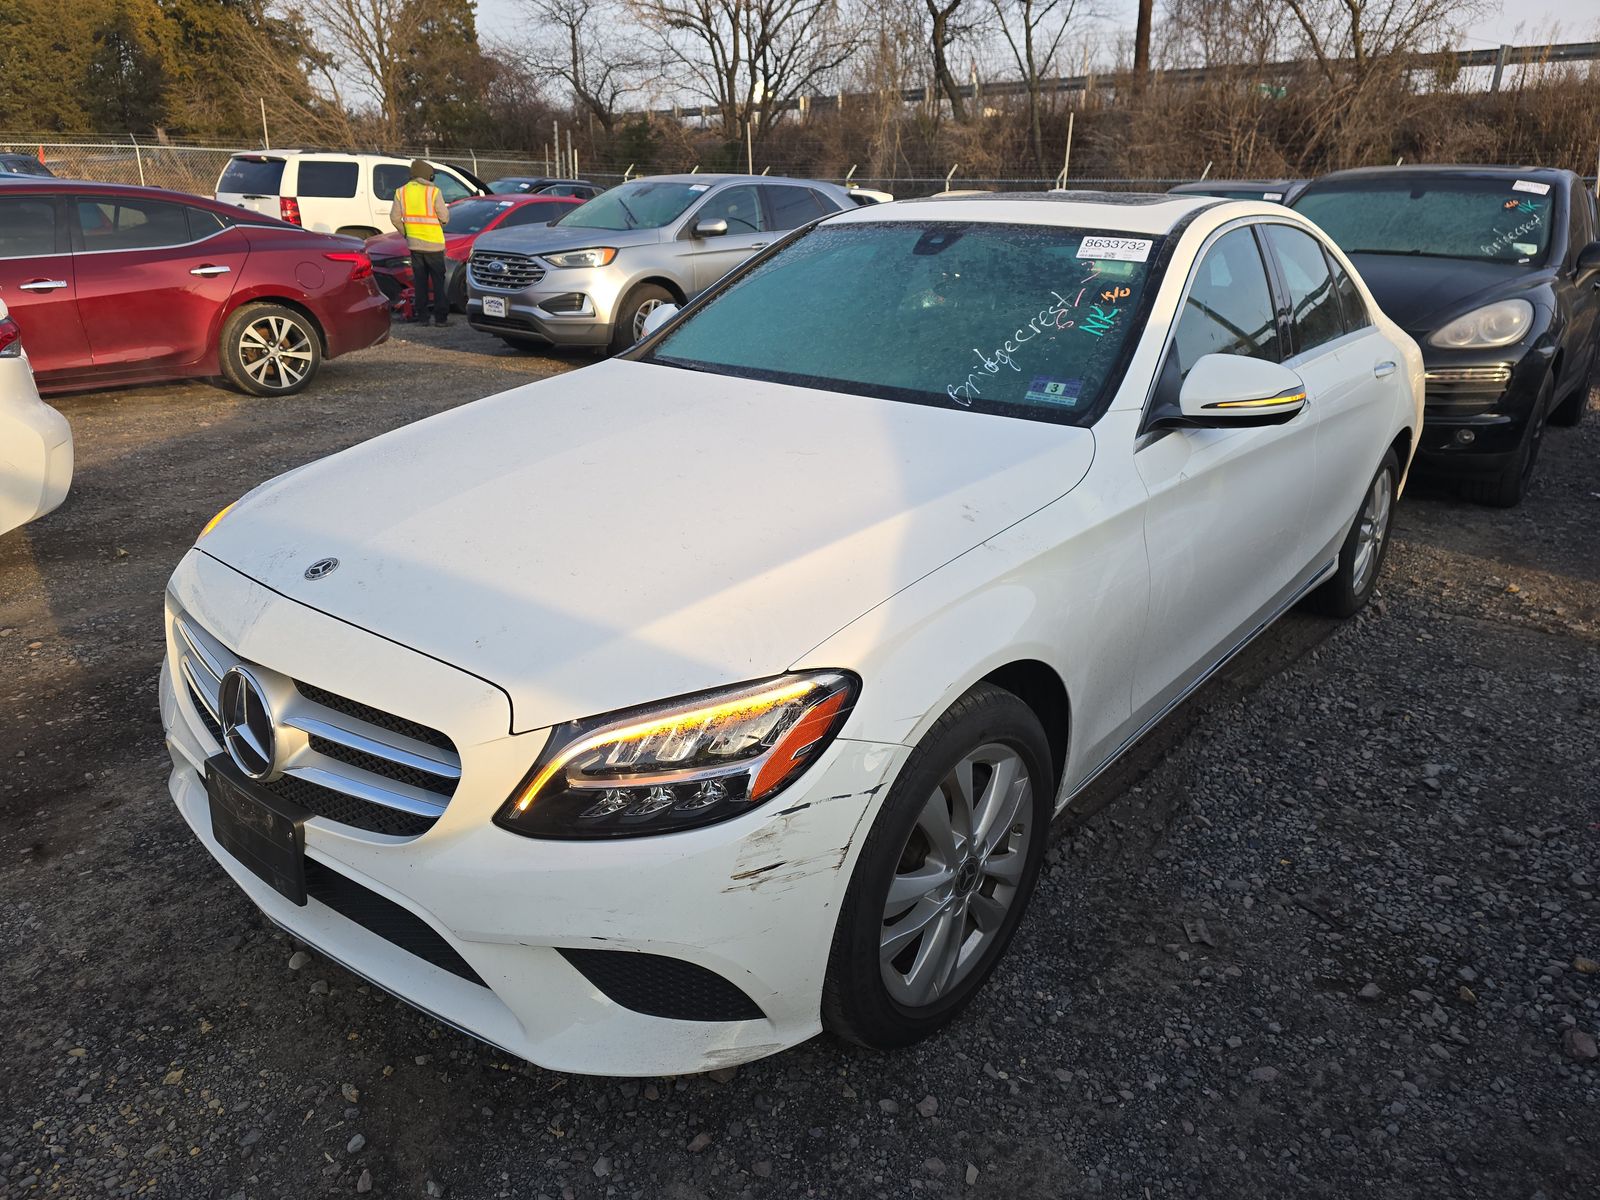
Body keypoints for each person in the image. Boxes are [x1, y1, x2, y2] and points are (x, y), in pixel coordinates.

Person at [390, 160, 451, 326]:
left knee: (420, 282)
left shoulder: (401, 192)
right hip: (434, 245)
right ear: (428, 175)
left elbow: (395, 218)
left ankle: (422, 317)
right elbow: (444, 217)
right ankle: (441, 318)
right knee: (438, 283)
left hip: (414, 245)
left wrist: (407, 233)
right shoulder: (433, 192)